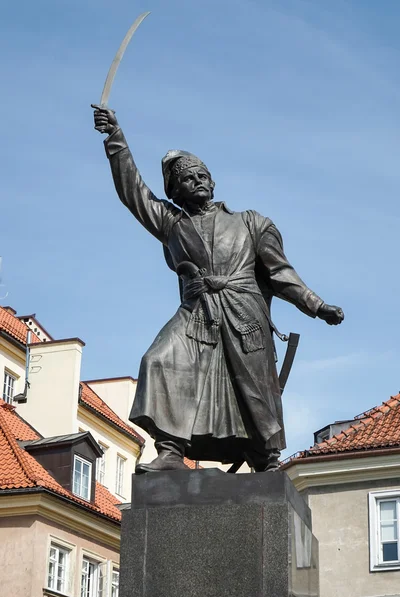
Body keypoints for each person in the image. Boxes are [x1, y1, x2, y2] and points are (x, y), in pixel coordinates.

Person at [92, 105, 344, 473]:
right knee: (158, 359)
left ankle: (266, 460)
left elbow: (280, 273)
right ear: (175, 191)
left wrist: (317, 305)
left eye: (202, 175)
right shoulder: (172, 222)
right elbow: (133, 192)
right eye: (187, 178)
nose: (197, 181)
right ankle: (171, 452)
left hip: (243, 311)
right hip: (196, 312)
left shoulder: (251, 223)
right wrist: (115, 139)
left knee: (253, 389)